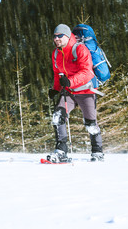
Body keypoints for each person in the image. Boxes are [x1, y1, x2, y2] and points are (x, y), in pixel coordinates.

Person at [47, 24, 104, 162]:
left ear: (67, 36)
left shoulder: (80, 49)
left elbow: (87, 72)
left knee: (90, 124)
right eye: (55, 36)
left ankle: (97, 152)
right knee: (57, 116)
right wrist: (56, 88)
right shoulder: (56, 53)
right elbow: (57, 73)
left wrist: (70, 81)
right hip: (69, 92)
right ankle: (61, 151)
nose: (56, 38)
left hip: (86, 90)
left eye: (60, 36)